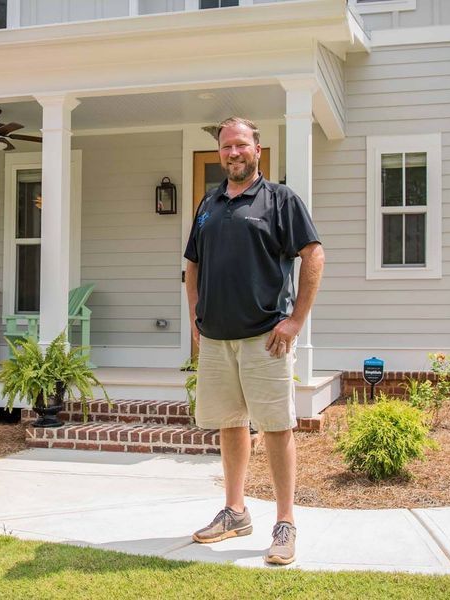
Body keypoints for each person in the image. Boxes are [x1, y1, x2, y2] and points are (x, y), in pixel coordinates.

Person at [184, 116, 325, 565]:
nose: (233, 153)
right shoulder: (209, 203)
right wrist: (195, 320)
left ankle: (285, 523)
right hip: (217, 338)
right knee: (230, 423)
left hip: (267, 339)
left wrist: (295, 322)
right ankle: (235, 511)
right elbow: (192, 265)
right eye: (227, 147)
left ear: (257, 150)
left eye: (241, 145)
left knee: (277, 427)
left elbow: (313, 255)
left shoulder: (281, 200)